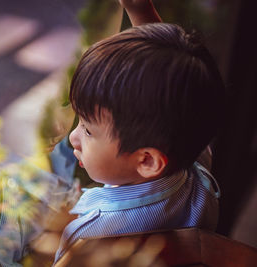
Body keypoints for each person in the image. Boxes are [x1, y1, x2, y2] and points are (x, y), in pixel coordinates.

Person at [53, 0, 225, 263]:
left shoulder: (93, 232)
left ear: (147, 160)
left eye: (88, 130)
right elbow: (171, 88)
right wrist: (141, 12)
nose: (73, 137)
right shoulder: (193, 165)